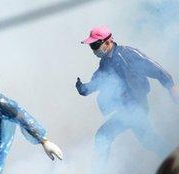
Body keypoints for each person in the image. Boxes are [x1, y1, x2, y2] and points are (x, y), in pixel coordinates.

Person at [76, 26, 179, 166]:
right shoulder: (105, 63)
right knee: (148, 140)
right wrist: (83, 89)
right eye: (91, 46)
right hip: (126, 108)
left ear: (107, 42)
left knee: (104, 136)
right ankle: (174, 161)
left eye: (95, 45)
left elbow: (154, 68)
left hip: (137, 106)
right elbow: (96, 83)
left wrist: (171, 86)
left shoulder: (128, 54)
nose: (94, 49)